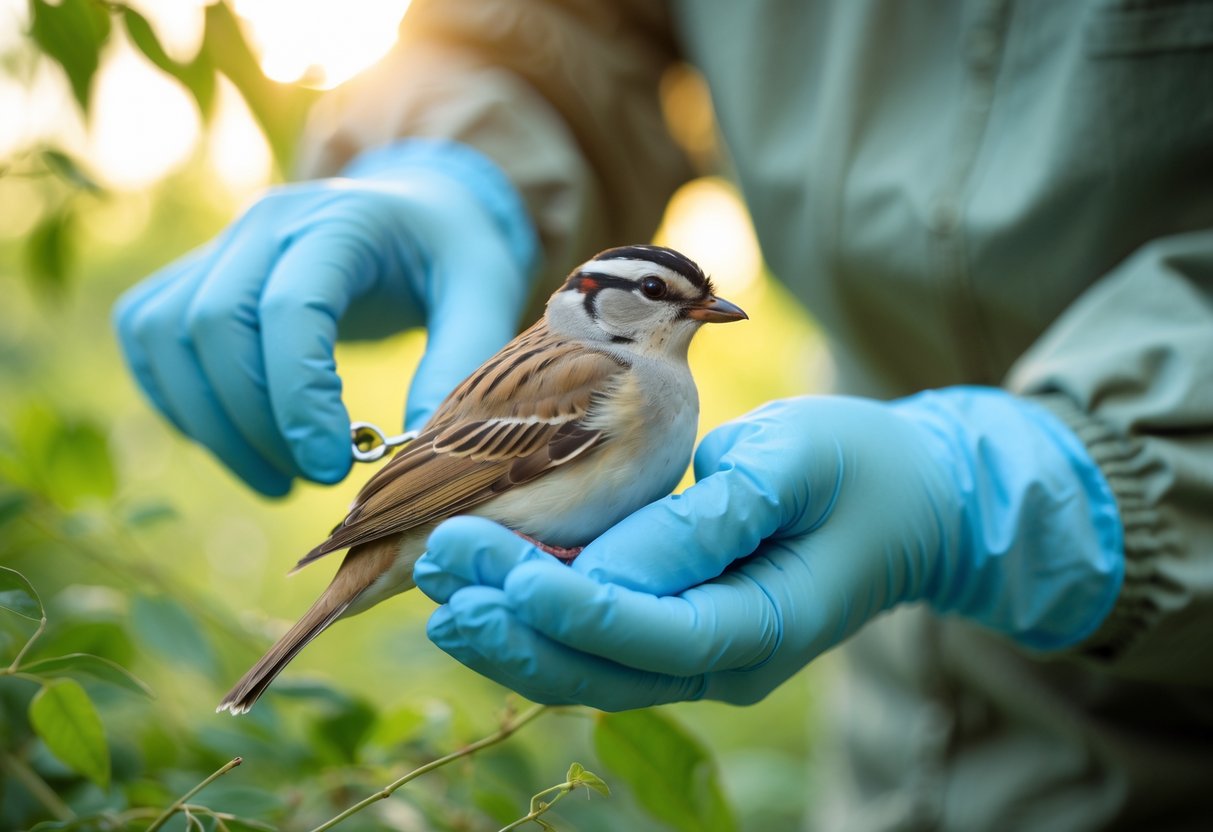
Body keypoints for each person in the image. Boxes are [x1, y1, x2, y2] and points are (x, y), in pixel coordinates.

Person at [113, 2, 1213, 828]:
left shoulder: (642, 377)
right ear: (598, 304)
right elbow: (571, 24)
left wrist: (1027, 485)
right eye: (666, 301)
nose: (698, 316)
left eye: (697, 302)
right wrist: (466, 143)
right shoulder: (608, 381)